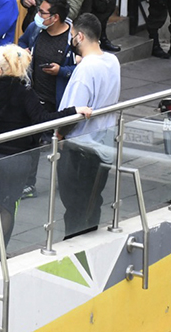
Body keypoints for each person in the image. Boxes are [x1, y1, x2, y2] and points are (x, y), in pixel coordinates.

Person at [0, 44, 89, 259]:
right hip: (17, 159)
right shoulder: (26, 94)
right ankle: (0, 253)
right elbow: (43, 120)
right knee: (8, 204)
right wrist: (73, 111)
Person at [56, 14, 121, 239]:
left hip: (79, 148)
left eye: (73, 36)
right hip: (103, 144)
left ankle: (73, 246)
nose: (71, 40)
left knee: (74, 207)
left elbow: (73, 112)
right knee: (93, 202)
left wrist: (60, 135)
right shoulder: (112, 61)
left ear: (80, 36)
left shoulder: (84, 71)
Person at [17, 0, 76, 198]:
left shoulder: (73, 38)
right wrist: (23, 53)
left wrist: (61, 71)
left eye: (42, 12)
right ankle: (28, 183)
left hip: (60, 99)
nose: (38, 15)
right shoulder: (36, 30)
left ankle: (67, 179)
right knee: (30, 141)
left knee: (62, 141)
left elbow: (82, 67)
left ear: (56, 17)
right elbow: (22, 42)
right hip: (34, 95)